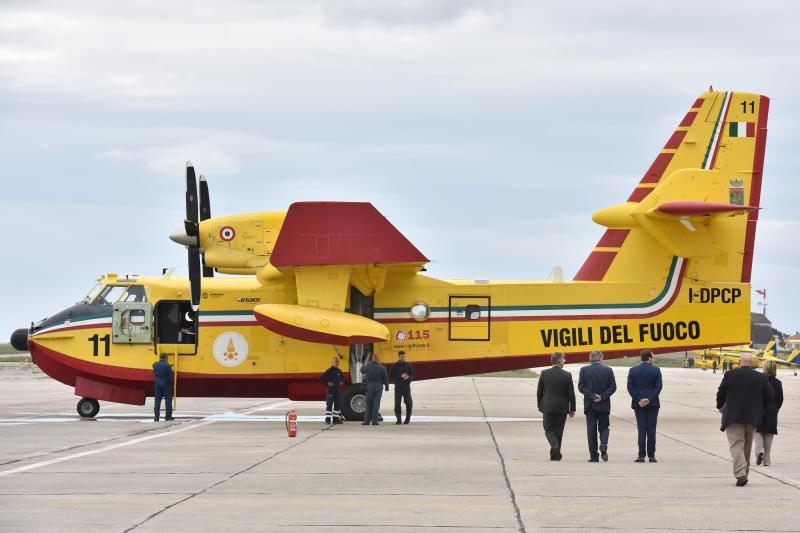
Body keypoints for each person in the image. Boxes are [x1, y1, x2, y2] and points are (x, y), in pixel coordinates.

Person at [716, 353, 774, 486]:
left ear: (739, 361)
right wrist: (760, 409)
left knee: (736, 445)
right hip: (752, 418)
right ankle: (744, 473)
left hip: (734, 416)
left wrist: (720, 406)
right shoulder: (760, 377)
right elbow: (770, 395)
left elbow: (721, 392)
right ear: (751, 362)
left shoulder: (730, 374)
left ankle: (741, 474)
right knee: (746, 447)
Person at [536, 351, 576, 461]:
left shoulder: (544, 373)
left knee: (548, 430)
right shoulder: (567, 375)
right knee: (559, 431)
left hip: (548, 407)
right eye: (564, 359)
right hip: (562, 408)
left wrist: (540, 405)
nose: (565, 361)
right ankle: (555, 455)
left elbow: (539, 391)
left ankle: (555, 448)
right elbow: (571, 394)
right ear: (559, 361)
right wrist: (572, 409)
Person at [578, 350, 617, 462]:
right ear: (600, 358)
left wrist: (592, 396)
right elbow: (613, 387)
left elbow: (581, 387)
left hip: (590, 405)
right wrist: (602, 397)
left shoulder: (584, 370)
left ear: (591, 359)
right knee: (604, 427)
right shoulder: (608, 370)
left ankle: (594, 456)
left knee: (591, 430)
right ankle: (603, 445)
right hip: (603, 404)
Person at [627, 349, 663, 463]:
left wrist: (639, 399)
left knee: (641, 429)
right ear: (649, 358)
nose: (653, 359)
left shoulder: (633, 370)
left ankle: (641, 455)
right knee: (651, 429)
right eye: (653, 357)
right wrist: (649, 399)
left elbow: (630, 388)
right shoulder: (656, 370)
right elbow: (658, 387)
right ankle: (651, 456)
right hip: (653, 404)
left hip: (639, 404)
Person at [755, 360, 783, 467]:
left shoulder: (759, 380)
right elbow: (780, 399)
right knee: (769, 434)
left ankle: (759, 451)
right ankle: (766, 460)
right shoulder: (778, 382)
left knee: (757, 432)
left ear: (765, 368)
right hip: (772, 409)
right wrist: (776, 408)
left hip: (759, 408)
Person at [362, 354, 389, 426]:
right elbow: (386, 378)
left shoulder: (368, 366)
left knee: (368, 404)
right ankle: (374, 421)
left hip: (369, 386)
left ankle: (366, 421)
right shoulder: (382, 368)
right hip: (378, 386)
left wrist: (368, 364)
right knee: (376, 404)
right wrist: (387, 387)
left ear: (372, 359)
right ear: (378, 359)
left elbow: (362, 370)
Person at [390, 350, 415, 424]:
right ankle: (398, 419)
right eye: (401, 357)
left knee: (409, 403)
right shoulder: (395, 366)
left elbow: (412, 374)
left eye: (404, 357)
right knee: (397, 404)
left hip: (406, 387)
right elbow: (392, 376)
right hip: (398, 387)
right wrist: (400, 376)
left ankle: (407, 419)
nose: (403, 358)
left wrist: (408, 377)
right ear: (399, 357)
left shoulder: (408, 365)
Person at [320, 357, 345, 424]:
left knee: (337, 405)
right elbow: (321, 377)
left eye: (338, 362)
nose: (337, 363)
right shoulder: (329, 370)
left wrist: (342, 382)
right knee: (329, 405)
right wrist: (327, 383)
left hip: (337, 391)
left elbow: (343, 378)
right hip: (331, 391)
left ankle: (335, 419)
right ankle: (328, 419)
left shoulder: (339, 371)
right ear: (332, 363)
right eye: (335, 362)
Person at [152, 353, 174, 421]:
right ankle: (168, 416)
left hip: (157, 384)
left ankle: (156, 417)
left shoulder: (155, 364)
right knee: (168, 400)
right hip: (166, 385)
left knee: (157, 400)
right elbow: (171, 377)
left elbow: (154, 367)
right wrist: (172, 384)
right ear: (166, 358)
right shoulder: (167, 366)